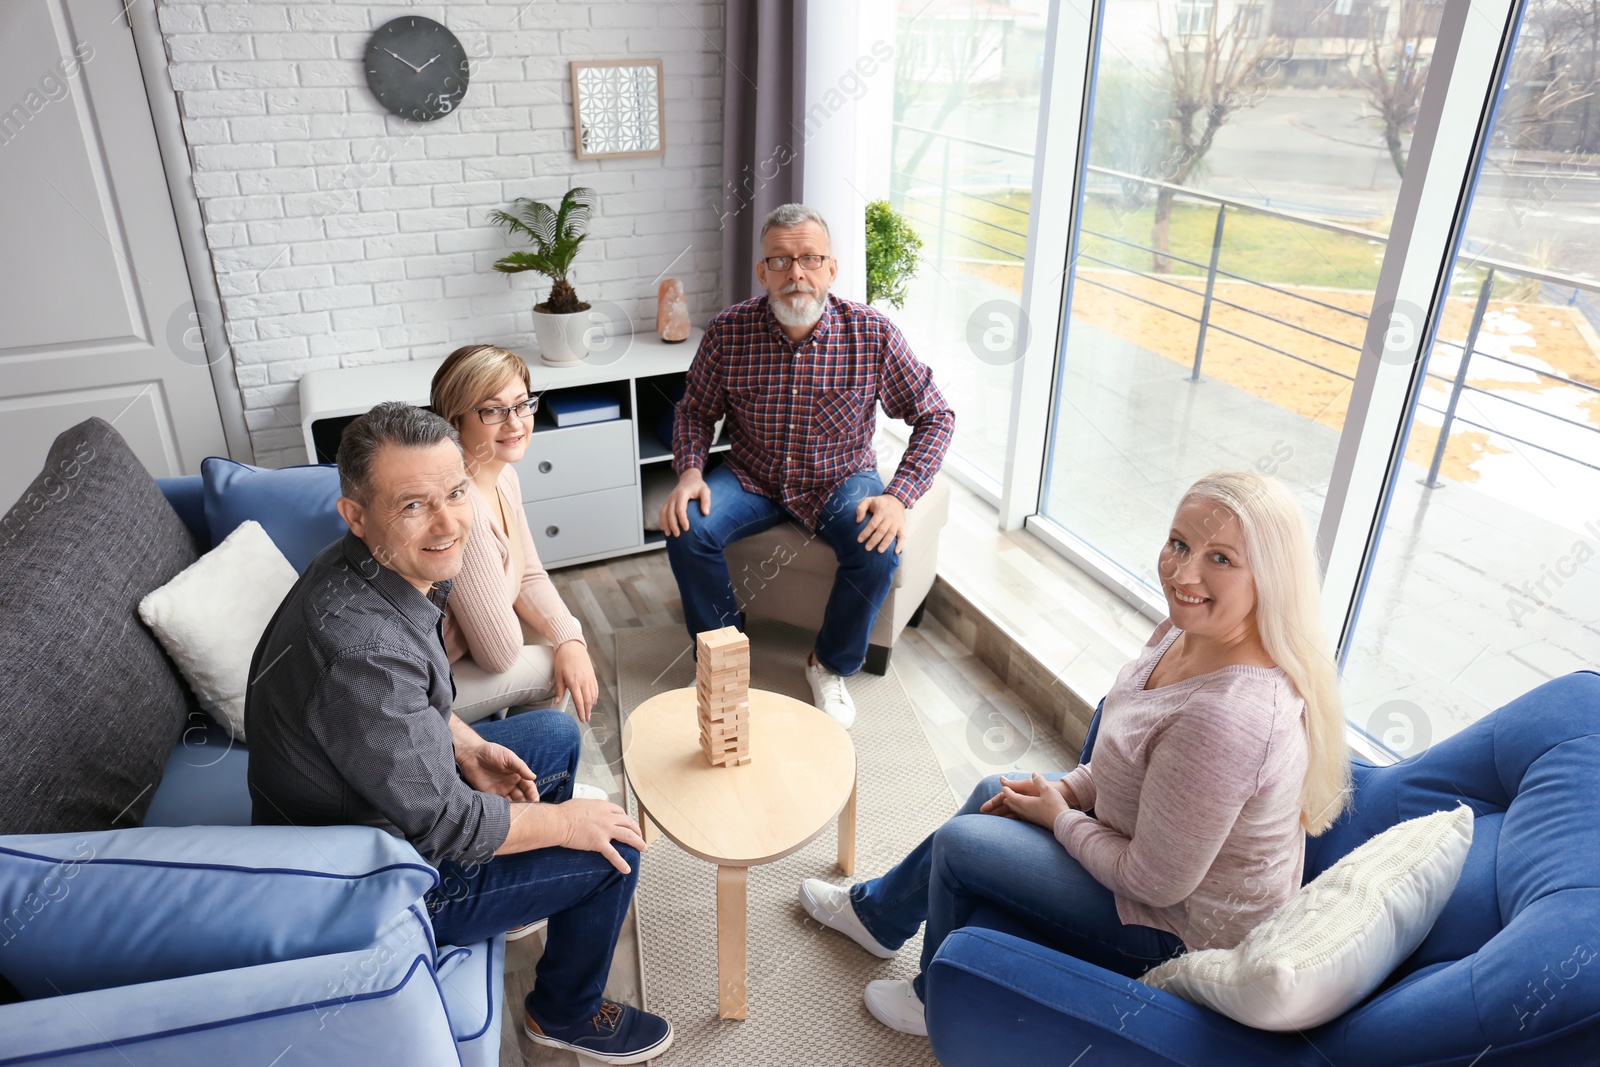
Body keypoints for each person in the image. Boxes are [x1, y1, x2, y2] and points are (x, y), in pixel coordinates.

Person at [797, 470, 1351, 1037]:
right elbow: (1120, 757)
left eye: (1222, 559)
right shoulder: (1185, 628)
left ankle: (931, 999)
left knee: (963, 846)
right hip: (1148, 857)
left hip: (1176, 927)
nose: (1184, 573)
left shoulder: (1230, 718)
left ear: (1271, 579)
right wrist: (1069, 790)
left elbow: (1154, 884)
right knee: (997, 792)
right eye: (1180, 543)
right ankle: (877, 917)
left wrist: (1059, 817)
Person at [244, 402, 672, 1064]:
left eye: (456, 491)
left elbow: (404, 702)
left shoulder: (376, 569)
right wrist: (565, 826)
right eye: (414, 505)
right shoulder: (361, 649)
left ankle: (523, 892)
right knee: (612, 844)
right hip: (376, 875)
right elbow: (444, 826)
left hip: (379, 801)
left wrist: (466, 744)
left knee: (554, 740)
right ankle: (565, 1011)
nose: (449, 522)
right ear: (356, 515)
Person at [660, 203, 955, 728]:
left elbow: (935, 415)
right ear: (763, 271)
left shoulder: (871, 334)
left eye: (810, 259)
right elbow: (694, 412)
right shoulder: (729, 332)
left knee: (879, 548)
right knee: (687, 528)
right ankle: (724, 657)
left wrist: (898, 494)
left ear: (831, 269)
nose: (796, 273)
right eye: (781, 260)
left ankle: (830, 664)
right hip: (752, 475)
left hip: (840, 479)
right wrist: (688, 473)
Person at [428, 343, 600, 724]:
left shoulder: (503, 475)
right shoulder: (461, 508)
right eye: (493, 410)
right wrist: (561, 643)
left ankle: (521, 758)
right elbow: (499, 655)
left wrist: (569, 637)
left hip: (466, 656)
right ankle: (518, 763)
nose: (516, 423)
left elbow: (530, 576)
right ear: (455, 422)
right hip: (426, 687)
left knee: (562, 639)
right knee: (555, 664)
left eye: (522, 404)